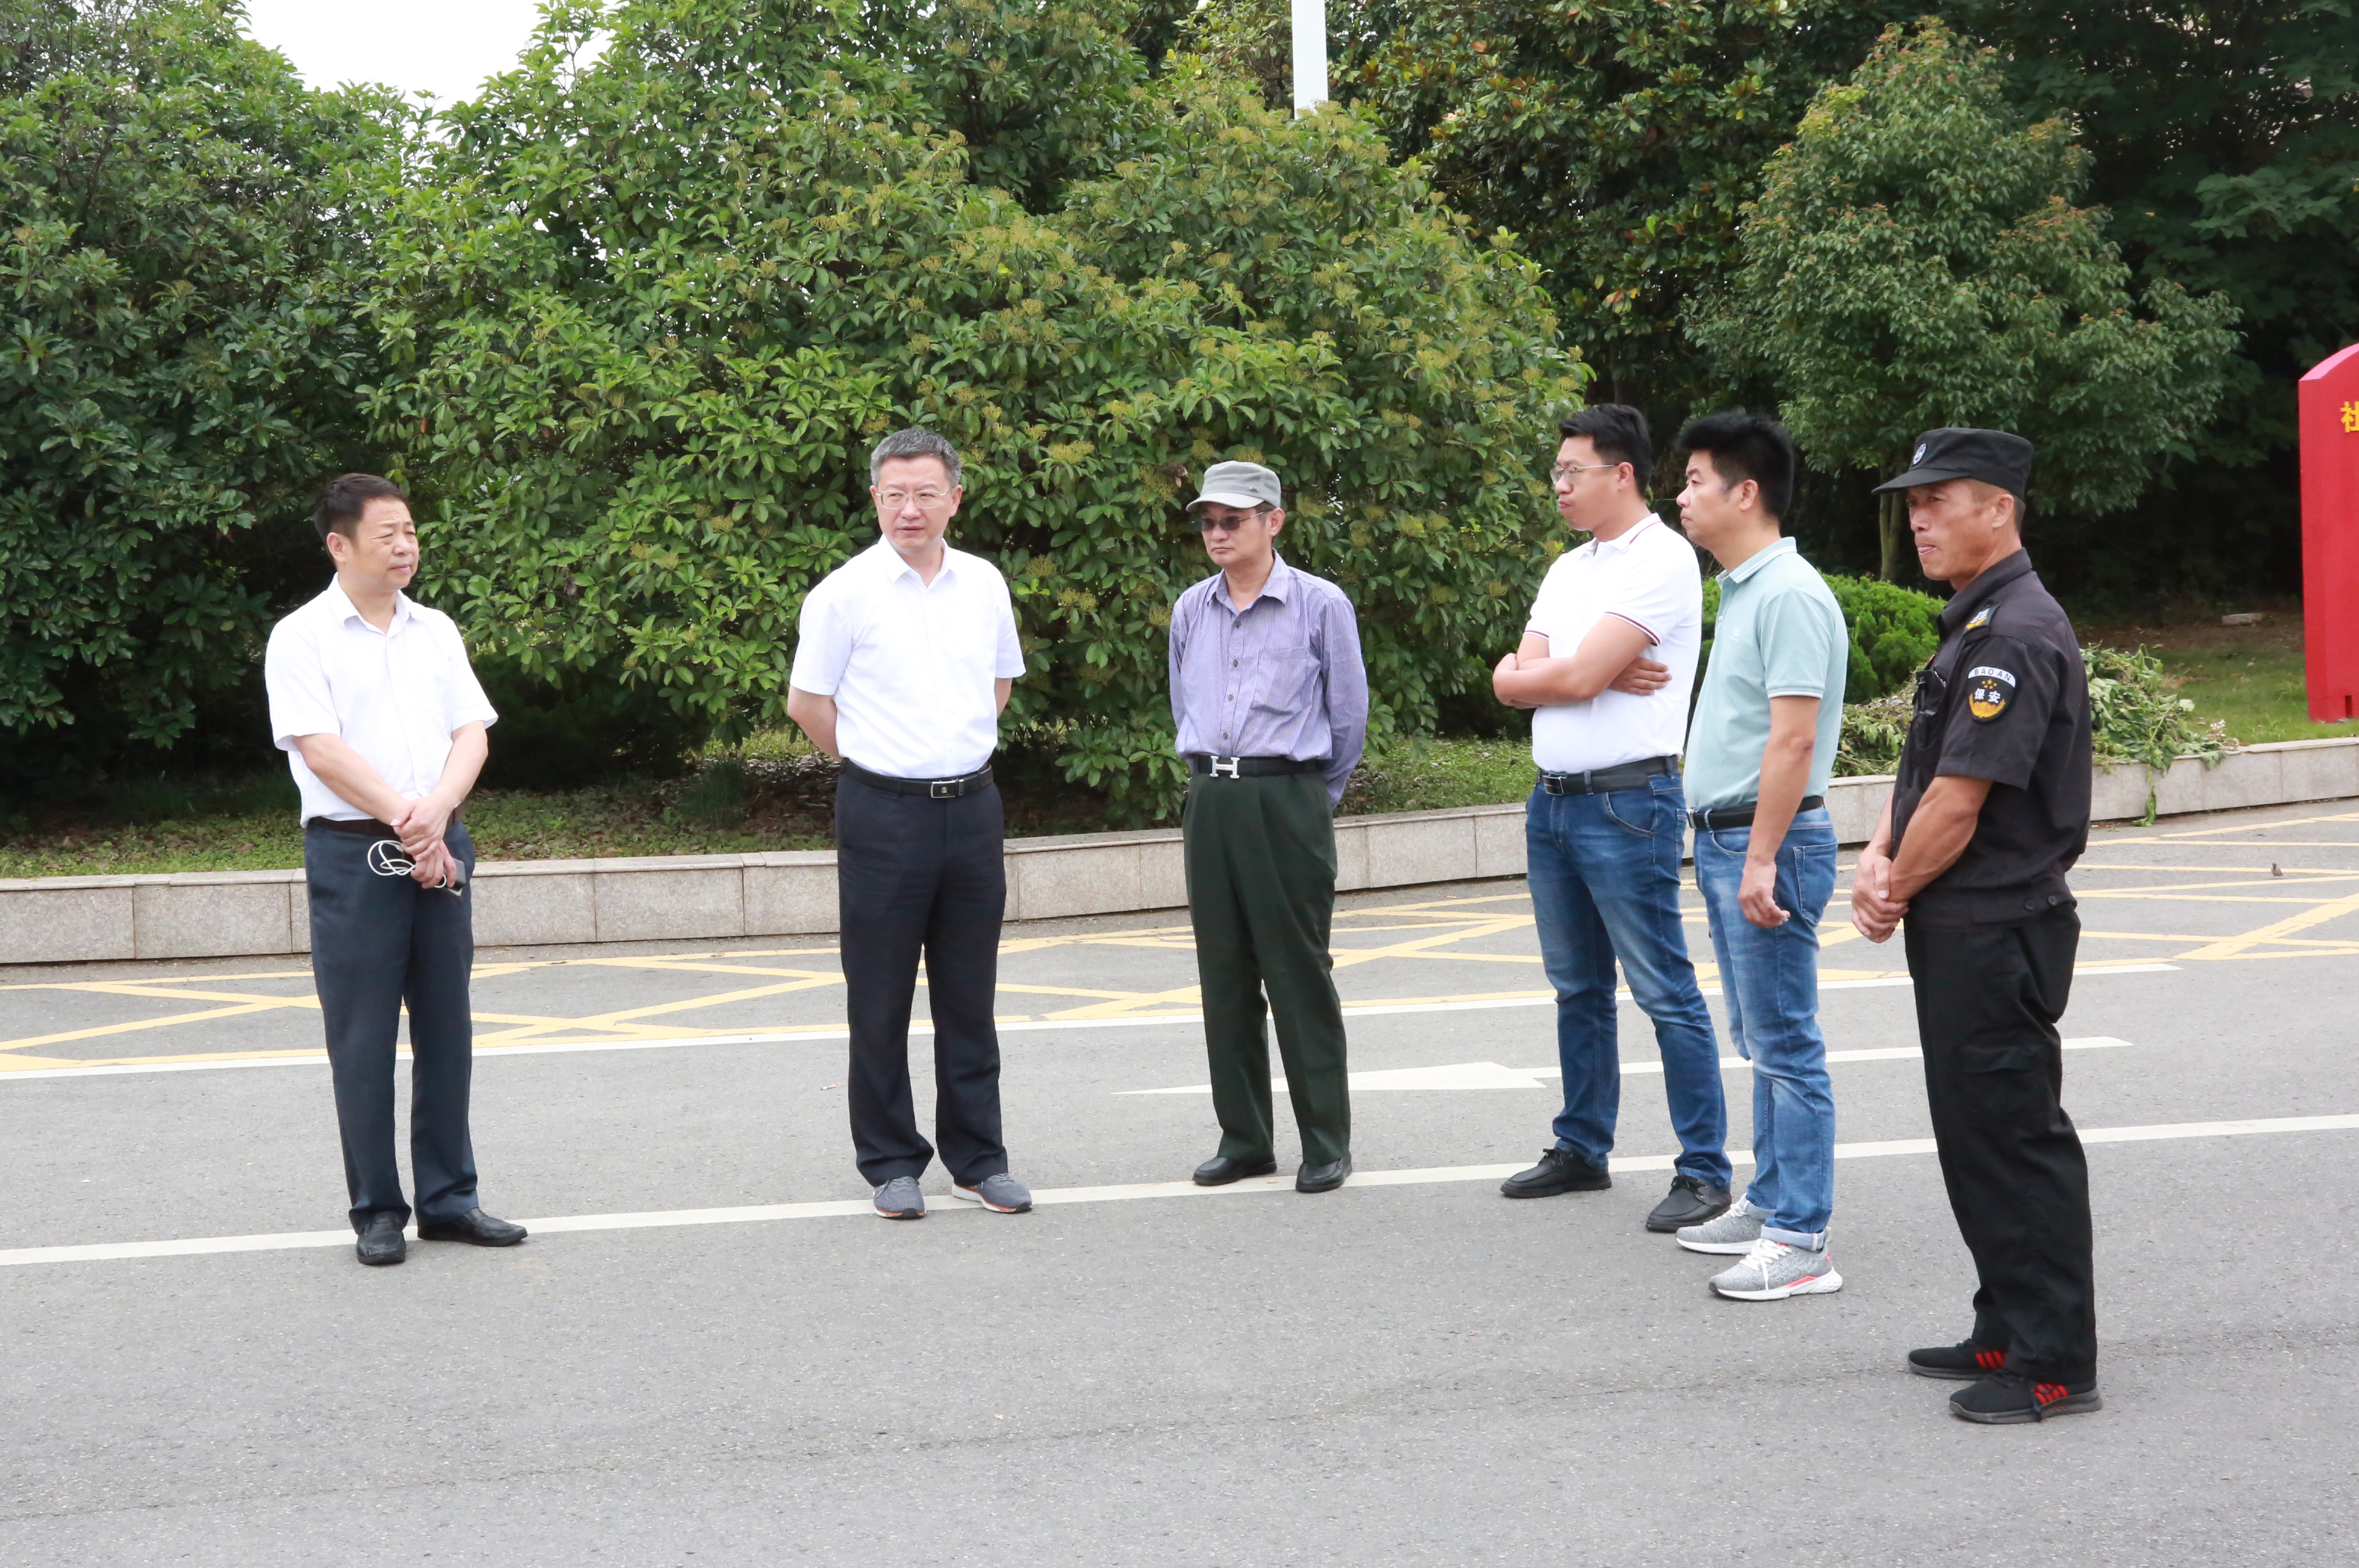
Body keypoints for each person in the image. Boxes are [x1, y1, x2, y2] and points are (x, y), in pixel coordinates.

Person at [1850, 427, 2100, 1424]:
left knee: (2012, 1138)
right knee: (1974, 1137)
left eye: (1937, 500)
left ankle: (2052, 1359)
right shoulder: (1977, 621)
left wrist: (1893, 887)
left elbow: (1960, 801)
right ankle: (2003, 1322)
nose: (1918, 519)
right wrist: (1879, 851)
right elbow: (1925, 770)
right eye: (1912, 503)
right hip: (1965, 920)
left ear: (1999, 508)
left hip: (1997, 922)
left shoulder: (2013, 635)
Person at [264, 474, 523, 1267]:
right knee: (363, 1036)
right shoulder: (301, 637)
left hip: (442, 837)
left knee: (448, 1026)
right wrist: (410, 821)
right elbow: (321, 749)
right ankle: (377, 1208)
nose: (406, 545)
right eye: (388, 534)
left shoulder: (434, 629)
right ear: (339, 545)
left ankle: (451, 1199)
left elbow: (472, 732)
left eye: (410, 531)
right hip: (354, 851)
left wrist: (437, 812)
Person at [1491, 404, 1733, 1232]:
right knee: (1578, 989)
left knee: (1663, 988)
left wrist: (1563, 672)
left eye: (1573, 471)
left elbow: (1559, 675)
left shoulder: (1662, 558)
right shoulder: (1569, 568)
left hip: (1629, 802)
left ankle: (1703, 1171)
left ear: (1622, 473)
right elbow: (1516, 679)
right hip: (1552, 800)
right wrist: (1567, 671)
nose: (1559, 486)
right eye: (1556, 472)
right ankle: (1582, 1147)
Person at [786, 428, 1033, 1221]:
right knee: (880, 996)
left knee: (970, 994)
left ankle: (979, 1159)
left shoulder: (984, 583)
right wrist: (874, 760)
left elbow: (998, 685)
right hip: (882, 812)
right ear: (875, 500)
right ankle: (891, 1161)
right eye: (894, 494)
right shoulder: (843, 594)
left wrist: (951, 750)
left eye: (925, 493)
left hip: (973, 808)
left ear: (955, 498)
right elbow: (807, 703)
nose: (909, 509)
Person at [1663, 414, 1850, 1300]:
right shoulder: (1745, 589)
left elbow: (1794, 738)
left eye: (1696, 480)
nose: (1681, 496)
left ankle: (1802, 1237)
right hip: (1731, 836)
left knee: (1786, 1044)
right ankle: (1772, 1199)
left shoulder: (1789, 595)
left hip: (1766, 839)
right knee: (1760, 1037)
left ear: (1746, 493)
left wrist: (1763, 856)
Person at [1168, 460, 1369, 1195]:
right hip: (1211, 797)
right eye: (1209, 522)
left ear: (1273, 520)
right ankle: (1245, 1138)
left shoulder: (1320, 604)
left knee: (1297, 973)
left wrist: (1308, 798)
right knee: (1223, 975)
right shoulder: (1192, 608)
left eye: (1233, 520)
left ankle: (1325, 1141)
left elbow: (1347, 717)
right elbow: (1182, 703)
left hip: (1286, 794)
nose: (1217, 533)